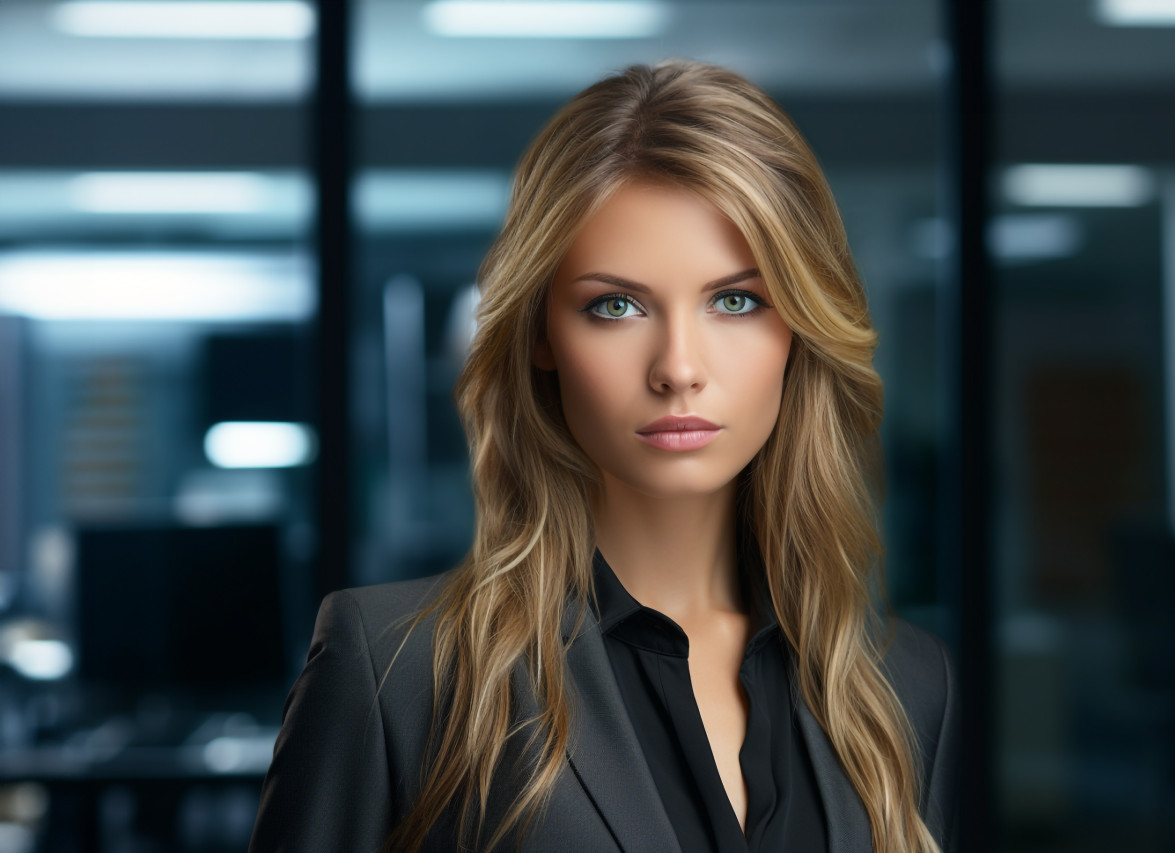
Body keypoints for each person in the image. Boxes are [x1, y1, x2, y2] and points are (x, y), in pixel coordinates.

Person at [250, 59, 957, 853]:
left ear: (800, 329)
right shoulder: (400, 675)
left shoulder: (904, 685)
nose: (678, 367)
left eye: (736, 300)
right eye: (615, 305)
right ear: (542, 334)